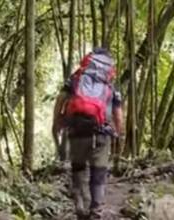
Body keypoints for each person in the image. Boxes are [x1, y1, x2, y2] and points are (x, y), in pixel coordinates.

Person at [52, 48, 124, 219]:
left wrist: (57, 123)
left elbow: (60, 100)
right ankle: (96, 211)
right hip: (101, 133)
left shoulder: (76, 78)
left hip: (76, 131)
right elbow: (118, 114)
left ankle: (80, 205)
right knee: (98, 174)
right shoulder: (109, 83)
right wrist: (118, 133)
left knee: (78, 170)